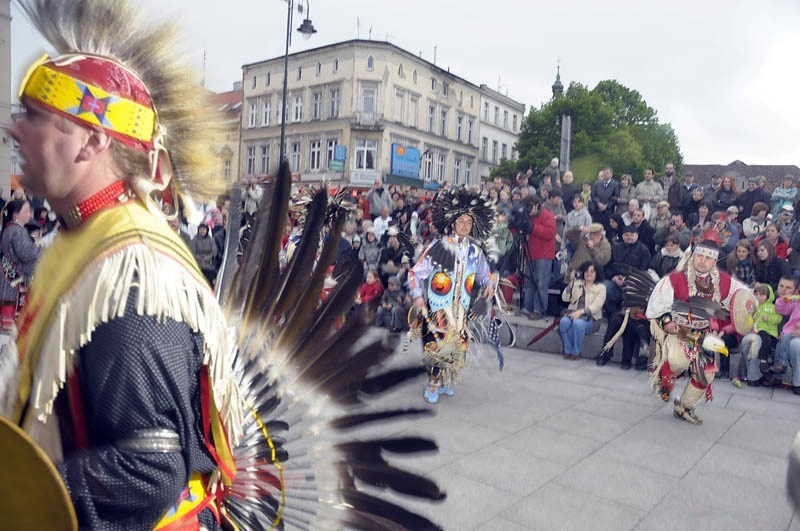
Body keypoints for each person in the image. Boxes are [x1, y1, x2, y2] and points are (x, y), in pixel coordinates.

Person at [646, 240, 750, 424]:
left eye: (708, 258)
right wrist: (667, 322)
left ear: (715, 261)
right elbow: (658, 304)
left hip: (704, 334)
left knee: (707, 374)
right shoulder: (675, 279)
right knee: (677, 361)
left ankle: (684, 406)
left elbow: (743, 298)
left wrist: (748, 315)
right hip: (678, 331)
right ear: (693, 256)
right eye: (700, 256)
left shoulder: (724, 282)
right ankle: (665, 380)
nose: (703, 261)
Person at [409, 188, 495, 403]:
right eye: (461, 221)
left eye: (468, 222)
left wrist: (489, 285)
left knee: (457, 348)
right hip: (439, 308)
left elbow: (485, 276)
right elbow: (415, 272)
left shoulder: (476, 251)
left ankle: (446, 379)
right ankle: (432, 383)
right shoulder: (439, 246)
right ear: (453, 223)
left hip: (461, 310)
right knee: (435, 347)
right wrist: (418, 294)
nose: (465, 225)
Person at [0, 200, 41, 331]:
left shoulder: (8, 229)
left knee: (5, 328)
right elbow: (26, 254)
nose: (29, 215)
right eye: (26, 211)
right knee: (11, 331)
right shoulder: (18, 231)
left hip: (8, 281)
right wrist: (41, 250)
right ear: (16, 214)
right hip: (15, 284)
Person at [737, 283, 781, 387]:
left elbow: (779, 318)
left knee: (762, 336)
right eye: (757, 294)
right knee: (753, 340)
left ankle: (763, 360)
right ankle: (754, 375)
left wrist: (769, 318)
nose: (759, 297)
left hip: (770, 334)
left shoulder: (773, 307)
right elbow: (749, 320)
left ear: (768, 296)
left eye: (763, 295)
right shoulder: (755, 307)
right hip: (758, 333)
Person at [560, 261, 606, 360]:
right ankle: (568, 351)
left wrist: (580, 313)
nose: (588, 273)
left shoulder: (601, 288)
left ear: (597, 274)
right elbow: (565, 298)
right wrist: (571, 283)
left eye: (592, 271)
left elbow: (596, 306)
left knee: (578, 324)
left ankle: (576, 352)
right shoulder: (577, 283)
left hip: (591, 319)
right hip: (573, 315)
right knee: (563, 322)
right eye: (586, 271)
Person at [523, 196, 557, 319]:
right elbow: (517, 231)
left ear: (537, 205)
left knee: (541, 283)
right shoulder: (528, 216)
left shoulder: (547, 215)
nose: (528, 209)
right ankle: (528, 308)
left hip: (544, 255)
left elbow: (550, 233)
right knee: (529, 282)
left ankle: (539, 310)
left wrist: (533, 228)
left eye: (530, 206)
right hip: (530, 253)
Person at [770, 279, 800, 395]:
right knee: (785, 339)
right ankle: (780, 366)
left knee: (794, 344)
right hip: (791, 332)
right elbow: (783, 309)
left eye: (788, 287)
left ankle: (795, 381)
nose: (784, 289)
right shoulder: (797, 300)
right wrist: (783, 300)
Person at [591, 167, 619, 231]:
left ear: (611, 174)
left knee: (608, 230)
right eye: (604, 173)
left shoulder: (615, 184)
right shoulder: (597, 183)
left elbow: (615, 197)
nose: (605, 174)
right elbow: (593, 195)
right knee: (596, 229)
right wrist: (598, 203)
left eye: (607, 173)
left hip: (608, 212)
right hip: (597, 211)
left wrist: (606, 205)